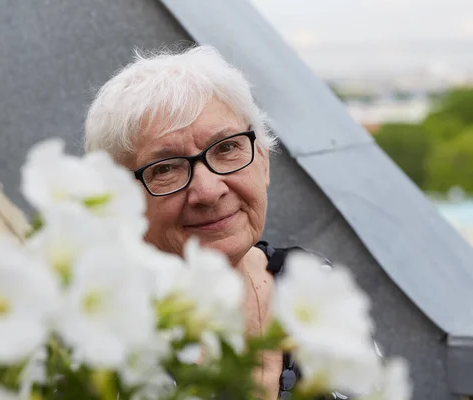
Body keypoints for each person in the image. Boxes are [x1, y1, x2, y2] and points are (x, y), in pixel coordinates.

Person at [84, 45, 343, 400]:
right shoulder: (93, 341)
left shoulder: (314, 282)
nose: (207, 191)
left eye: (225, 148)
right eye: (165, 168)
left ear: (263, 161)